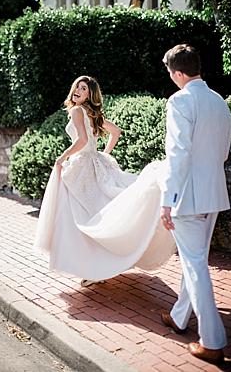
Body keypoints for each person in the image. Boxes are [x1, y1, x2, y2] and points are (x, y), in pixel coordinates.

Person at [34, 76, 177, 286]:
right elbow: (115, 133)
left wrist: (62, 157)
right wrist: (102, 154)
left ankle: (93, 269)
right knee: (100, 214)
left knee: (81, 218)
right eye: (77, 86)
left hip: (82, 166)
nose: (78, 90)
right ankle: (98, 267)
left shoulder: (76, 111)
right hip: (94, 163)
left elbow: (82, 140)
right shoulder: (92, 113)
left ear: (89, 95)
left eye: (84, 89)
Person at [156, 44, 231, 363]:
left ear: (177, 73)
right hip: (213, 194)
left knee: (196, 265)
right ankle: (179, 316)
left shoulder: (180, 100)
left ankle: (212, 341)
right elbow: (224, 152)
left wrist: (167, 200)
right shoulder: (219, 102)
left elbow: (177, 153)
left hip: (187, 197)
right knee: (195, 260)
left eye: (170, 74)